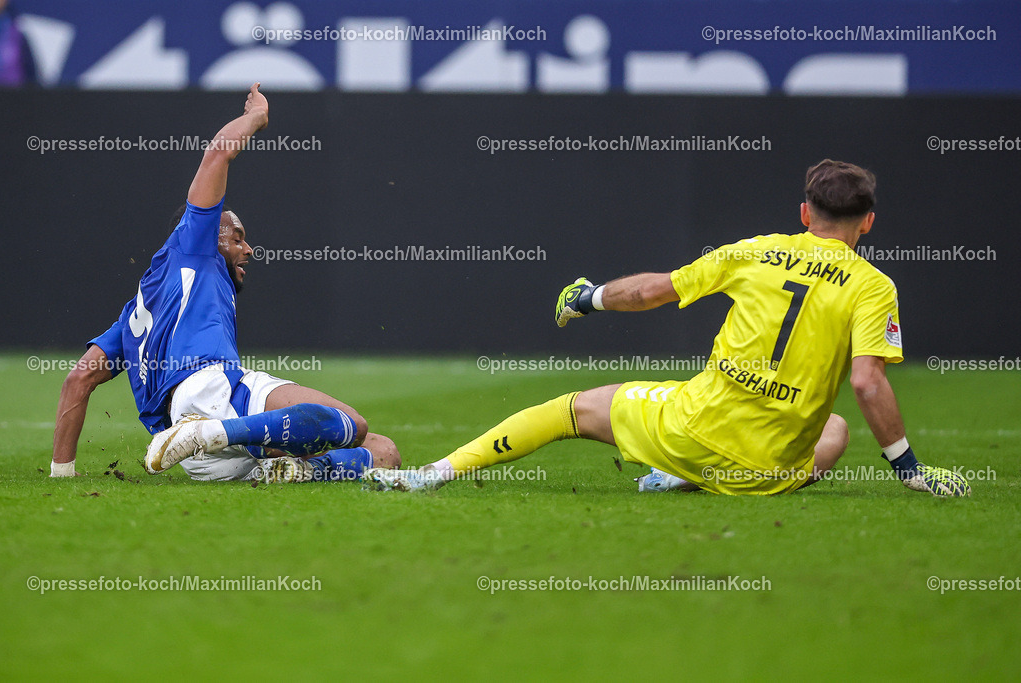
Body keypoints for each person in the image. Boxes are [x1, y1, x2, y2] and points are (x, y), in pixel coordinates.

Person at [364, 159, 969, 497]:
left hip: (690, 431)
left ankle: (432, 474)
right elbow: (866, 382)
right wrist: (911, 471)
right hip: (764, 474)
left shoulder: (756, 251)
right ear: (868, 222)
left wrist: (590, 297)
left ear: (805, 213)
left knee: (571, 409)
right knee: (833, 429)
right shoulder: (873, 287)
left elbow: (652, 291)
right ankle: (688, 481)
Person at [50, 83, 400, 483]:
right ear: (202, 234)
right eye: (237, 237)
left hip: (202, 461)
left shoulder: (136, 315)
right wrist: (255, 117)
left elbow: (79, 379)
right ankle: (210, 433)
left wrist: (62, 474)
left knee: (384, 452)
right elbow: (218, 153)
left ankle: (289, 469)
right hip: (210, 392)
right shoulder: (194, 247)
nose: (248, 249)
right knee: (349, 423)